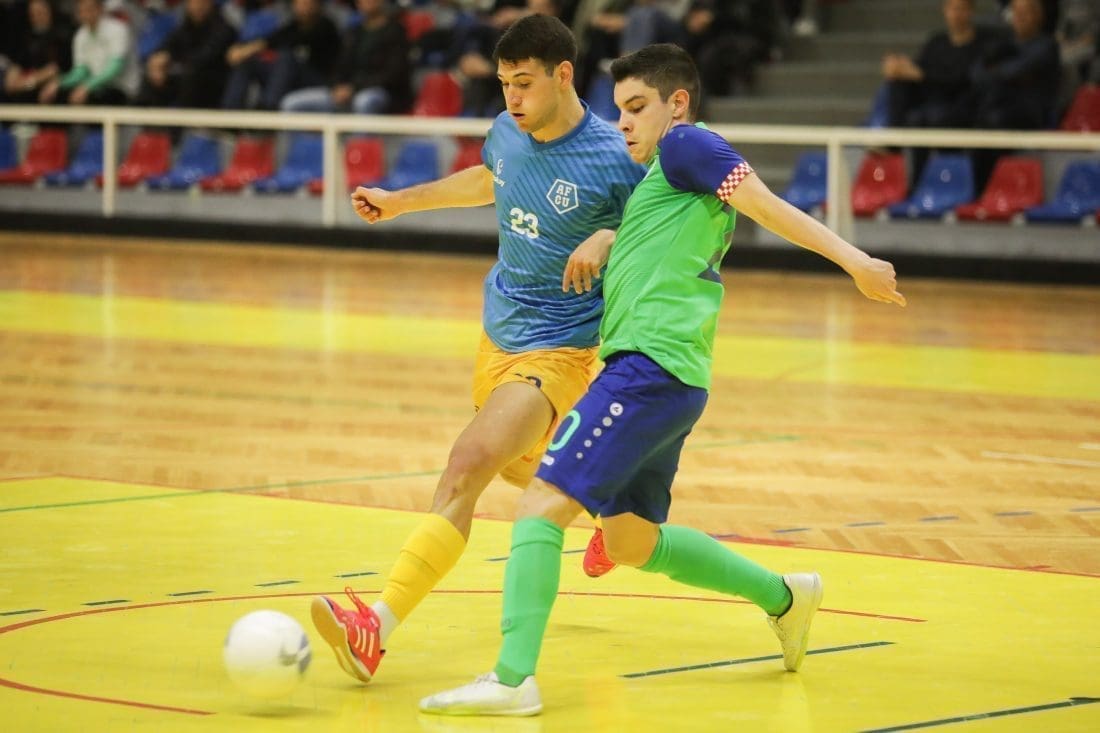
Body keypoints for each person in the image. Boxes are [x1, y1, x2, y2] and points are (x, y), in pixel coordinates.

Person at [419, 42, 906, 717]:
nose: (623, 122)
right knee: (629, 539)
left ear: (677, 104)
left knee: (541, 504)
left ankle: (511, 678)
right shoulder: (665, 178)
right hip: (675, 377)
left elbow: (764, 204)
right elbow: (661, 235)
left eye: (637, 107)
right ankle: (786, 597)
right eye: (618, 109)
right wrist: (610, 237)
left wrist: (855, 261)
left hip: (645, 370)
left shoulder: (685, 145)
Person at [310, 14, 646, 687]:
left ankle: (377, 625)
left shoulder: (617, 155)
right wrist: (400, 202)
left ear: (563, 75)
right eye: (503, 83)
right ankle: (614, 511)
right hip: (497, 337)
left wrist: (612, 235)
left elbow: (664, 230)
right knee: (530, 470)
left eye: (524, 83)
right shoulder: (505, 131)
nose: (512, 98)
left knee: (467, 464)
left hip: (563, 352)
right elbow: (491, 178)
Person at [279, 0, 411, 115]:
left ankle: (360, 138)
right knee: (291, 103)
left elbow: (392, 74)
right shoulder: (354, 33)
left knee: (364, 101)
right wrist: (337, 86)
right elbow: (339, 66)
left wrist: (354, 88)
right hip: (346, 91)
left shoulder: (396, 31)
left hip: (382, 91)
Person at [220, 0, 342, 111]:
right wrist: (244, 51)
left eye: (306, 3)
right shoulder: (294, 25)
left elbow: (298, 40)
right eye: (298, 3)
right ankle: (230, 110)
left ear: (317, 5)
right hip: (290, 78)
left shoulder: (326, 26)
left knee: (286, 57)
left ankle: (268, 108)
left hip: (318, 80)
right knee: (249, 62)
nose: (302, 7)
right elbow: (271, 41)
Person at [39, 0, 139, 106]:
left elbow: (115, 68)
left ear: (100, 9)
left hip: (121, 87)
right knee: (59, 94)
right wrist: (59, 83)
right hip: (96, 87)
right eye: (81, 11)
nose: (85, 14)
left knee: (90, 97)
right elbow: (81, 71)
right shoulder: (80, 35)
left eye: (89, 9)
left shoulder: (118, 29)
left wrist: (87, 87)